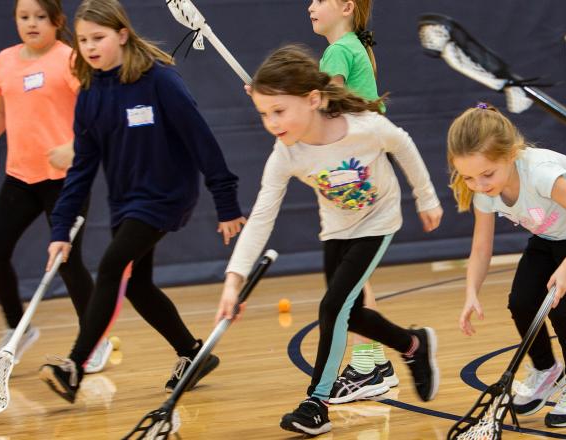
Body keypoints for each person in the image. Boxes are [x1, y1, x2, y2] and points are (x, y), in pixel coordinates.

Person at [215, 45, 442, 436]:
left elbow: (402, 143)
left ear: (313, 99)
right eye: (264, 114)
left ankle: (316, 403)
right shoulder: (285, 154)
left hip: (377, 222)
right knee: (349, 314)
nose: (271, 123)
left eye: (279, 111)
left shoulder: (364, 127)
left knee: (333, 307)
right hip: (336, 227)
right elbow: (261, 219)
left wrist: (426, 196)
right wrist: (233, 280)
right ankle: (413, 345)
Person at [38, 0, 246, 404]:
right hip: (127, 202)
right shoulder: (91, 95)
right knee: (138, 285)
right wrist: (60, 230)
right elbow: (81, 170)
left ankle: (74, 367)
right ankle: (192, 353)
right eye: (82, 40)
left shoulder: (159, 80)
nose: (90, 47)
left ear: (122, 34)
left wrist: (226, 201)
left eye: (98, 38)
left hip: (168, 195)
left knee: (113, 265)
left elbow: (201, 140)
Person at [450, 104, 566, 427]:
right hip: (548, 233)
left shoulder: (539, 174)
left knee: (563, 309)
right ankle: (546, 370)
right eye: (469, 177)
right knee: (522, 302)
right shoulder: (485, 192)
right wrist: (471, 292)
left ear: (510, 155)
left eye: (487, 175)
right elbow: (481, 247)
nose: (480, 185)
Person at [0, 0, 113, 373]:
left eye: (40, 17)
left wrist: (75, 147)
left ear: (57, 21)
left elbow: (98, 112)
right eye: (24, 17)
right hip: (20, 177)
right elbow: (0, 110)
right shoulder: (5, 61)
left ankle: (96, 340)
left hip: (66, 180)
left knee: (66, 262)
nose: (31, 23)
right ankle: (18, 327)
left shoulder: (70, 59)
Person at [308, 0, 394, 400]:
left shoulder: (338, 50)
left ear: (345, 6)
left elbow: (328, 104)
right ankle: (371, 361)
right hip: (361, 170)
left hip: (354, 174)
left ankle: (371, 363)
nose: (309, 6)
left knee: (349, 275)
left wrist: (283, 109)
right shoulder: (355, 47)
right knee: (354, 271)